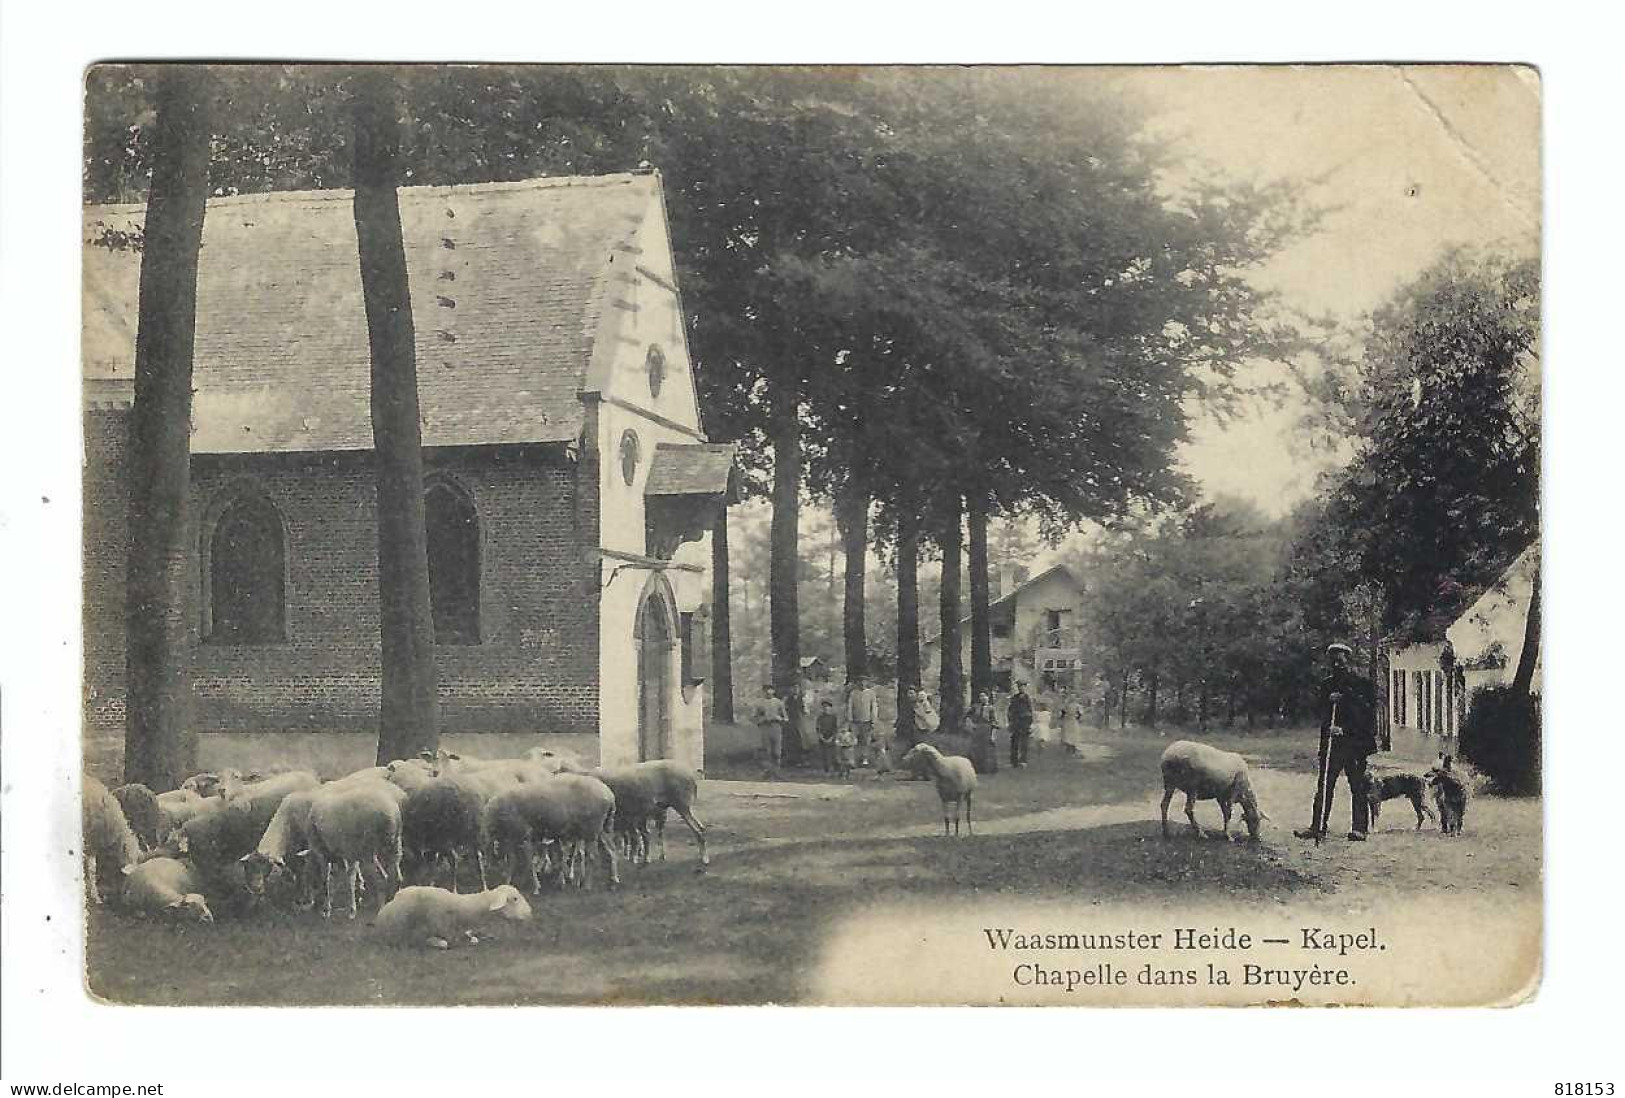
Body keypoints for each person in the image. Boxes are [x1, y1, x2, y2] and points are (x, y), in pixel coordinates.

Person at [1295, 642, 1378, 842]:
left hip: (1354, 744)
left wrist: (1345, 729)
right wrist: (1327, 701)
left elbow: (1366, 715)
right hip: (1332, 746)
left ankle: (1359, 829)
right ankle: (1317, 827)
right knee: (1324, 785)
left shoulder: (1361, 685)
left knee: (1357, 786)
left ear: (1349, 661)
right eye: (1334, 661)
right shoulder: (1326, 685)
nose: (1338, 664)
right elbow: (1318, 711)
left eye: (1341, 660)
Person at [754, 683, 789, 778]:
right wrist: (762, 720)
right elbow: (755, 717)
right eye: (766, 690)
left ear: (773, 691)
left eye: (770, 690)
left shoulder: (778, 702)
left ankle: (777, 771)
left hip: (776, 726)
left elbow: (786, 718)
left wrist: (779, 718)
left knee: (777, 751)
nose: (768, 692)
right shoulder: (759, 703)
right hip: (765, 727)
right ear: (763, 692)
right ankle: (768, 771)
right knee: (766, 750)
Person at [846, 675, 879, 766]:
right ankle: (852, 760)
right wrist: (850, 719)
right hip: (855, 721)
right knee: (853, 740)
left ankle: (865, 759)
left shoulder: (871, 693)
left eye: (864, 681)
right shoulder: (853, 693)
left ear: (867, 682)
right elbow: (850, 706)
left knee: (866, 741)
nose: (862, 683)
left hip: (867, 721)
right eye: (860, 681)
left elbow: (874, 707)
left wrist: (873, 720)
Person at [968, 691, 1000, 774]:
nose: (982, 698)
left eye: (984, 696)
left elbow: (994, 722)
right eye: (981, 696)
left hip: (987, 729)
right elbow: (967, 716)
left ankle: (988, 769)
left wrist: (993, 735)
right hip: (978, 729)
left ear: (988, 697)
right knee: (977, 749)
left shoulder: (991, 708)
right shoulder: (975, 707)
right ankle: (977, 768)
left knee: (987, 750)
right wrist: (972, 724)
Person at [1007, 681, 1034, 768]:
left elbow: (1030, 711)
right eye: (1019, 687)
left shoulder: (1027, 698)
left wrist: (1030, 723)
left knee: (1024, 742)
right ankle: (1014, 761)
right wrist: (1010, 721)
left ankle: (1023, 760)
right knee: (1014, 742)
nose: (1021, 688)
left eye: (1023, 687)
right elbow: (1010, 710)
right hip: (1016, 722)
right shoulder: (1014, 698)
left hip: (1024, 723)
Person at [816, 699, 840, 774]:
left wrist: (831, 738)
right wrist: (822, 738)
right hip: (823, 738)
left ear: (830, 708)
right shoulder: (820, 718)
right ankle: (827, 770)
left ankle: (837, 769)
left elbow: (835, 729)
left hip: (832, 737)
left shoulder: (833, 717)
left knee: (834, 754)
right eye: (824, 707)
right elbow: (818, 729)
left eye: (828, 707)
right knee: (825, 755)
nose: (826, 708)